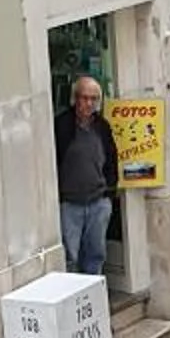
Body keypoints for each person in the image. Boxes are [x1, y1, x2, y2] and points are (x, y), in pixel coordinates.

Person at [54, 74, 119, 278]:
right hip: (69, 204)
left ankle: (93, 293)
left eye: (93, 99)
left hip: (97, 202)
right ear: (75, 98)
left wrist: (109, 194)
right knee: (70, 257)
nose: (89, 103)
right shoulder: (62, 125)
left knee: (96, 255)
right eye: (84, 98)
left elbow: (111, 160)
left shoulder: (102, 127)